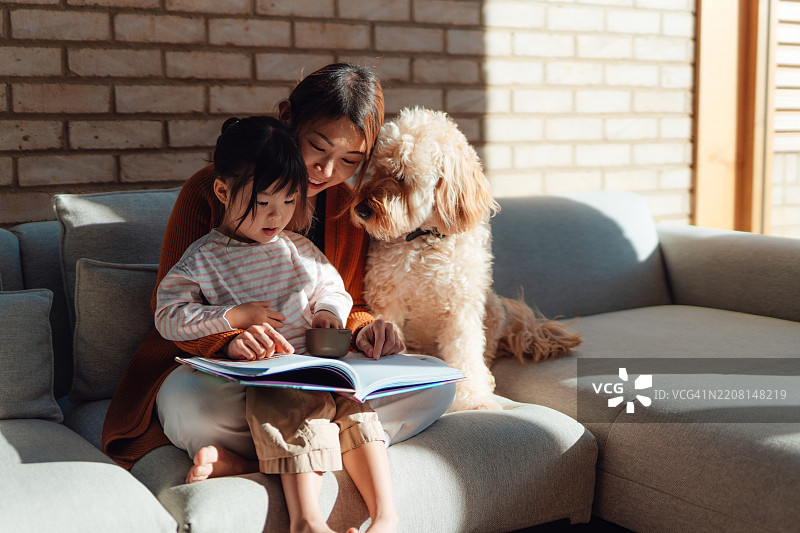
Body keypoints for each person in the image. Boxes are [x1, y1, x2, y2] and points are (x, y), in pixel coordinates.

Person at [102, 62, 455, 499]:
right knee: (192, 410)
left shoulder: (346, 207)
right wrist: (231, 339)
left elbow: (347, 298)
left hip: (310, 372)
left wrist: (368, 329)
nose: (327, 172)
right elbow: (172, 307)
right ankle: (316, 444)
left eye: (350, 161)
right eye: (317, 148)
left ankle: (251, 459)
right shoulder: (211, 189)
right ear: (289, 118)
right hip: (230, 374)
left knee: (436, 388)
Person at [154, 115, 396, 533]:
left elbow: (334, 290)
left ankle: (386, 519)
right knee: (295, 412)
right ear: (223, 191)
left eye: (289, 202)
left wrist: (328, 315)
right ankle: (306, 522)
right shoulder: (203, 258)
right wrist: (231, 321)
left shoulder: (298, 248)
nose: (276, 216)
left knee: (360, 412)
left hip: (319, 370)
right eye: (263, 203)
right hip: (268, 378)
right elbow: (167, 316)